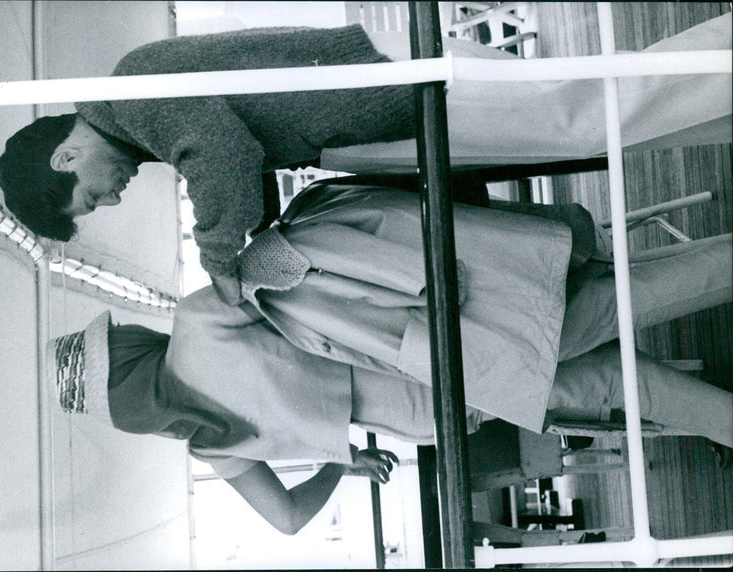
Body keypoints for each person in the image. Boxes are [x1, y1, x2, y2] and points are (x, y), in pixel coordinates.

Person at [48, 181, 732, 535]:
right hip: (449, 332)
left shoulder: (212, 445)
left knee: (621, 384)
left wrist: (337, 459)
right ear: (132, 350)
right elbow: (295, 269)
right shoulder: (196, 323)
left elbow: (287, 521)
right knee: (625, 301)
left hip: (442, 408)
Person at [0, 14, 731, 304]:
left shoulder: (129, 95)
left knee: (586, 114)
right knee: (599, 118)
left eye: (91, 199)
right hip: (390, 103)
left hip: (395, 88)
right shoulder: (138, 120)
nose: (111, 200)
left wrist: (220, 261)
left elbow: (220, 152)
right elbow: (237, 154)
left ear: (66, 157)